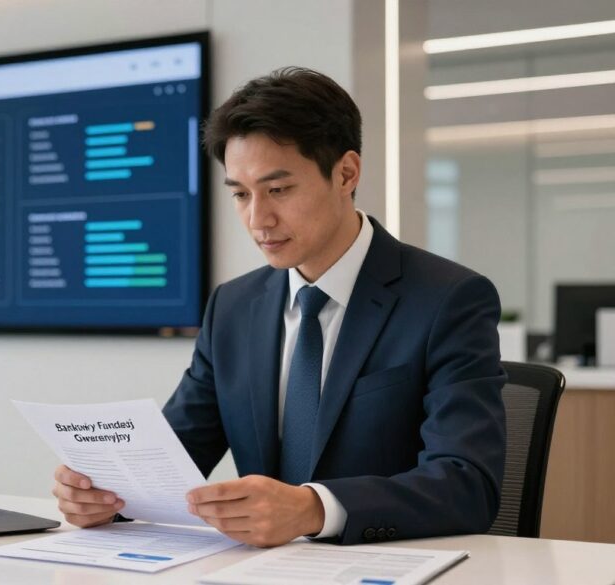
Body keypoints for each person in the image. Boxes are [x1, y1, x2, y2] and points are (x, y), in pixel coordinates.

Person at [51, 66, 506, 547]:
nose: (258, 219)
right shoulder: (232, 306)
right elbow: (171, 461)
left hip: (387, 565)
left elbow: (467, 484)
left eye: (278, 190)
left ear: (346, 173)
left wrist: (313, 509)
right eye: (241, 194)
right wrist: (105, 495)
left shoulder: (448, 299)